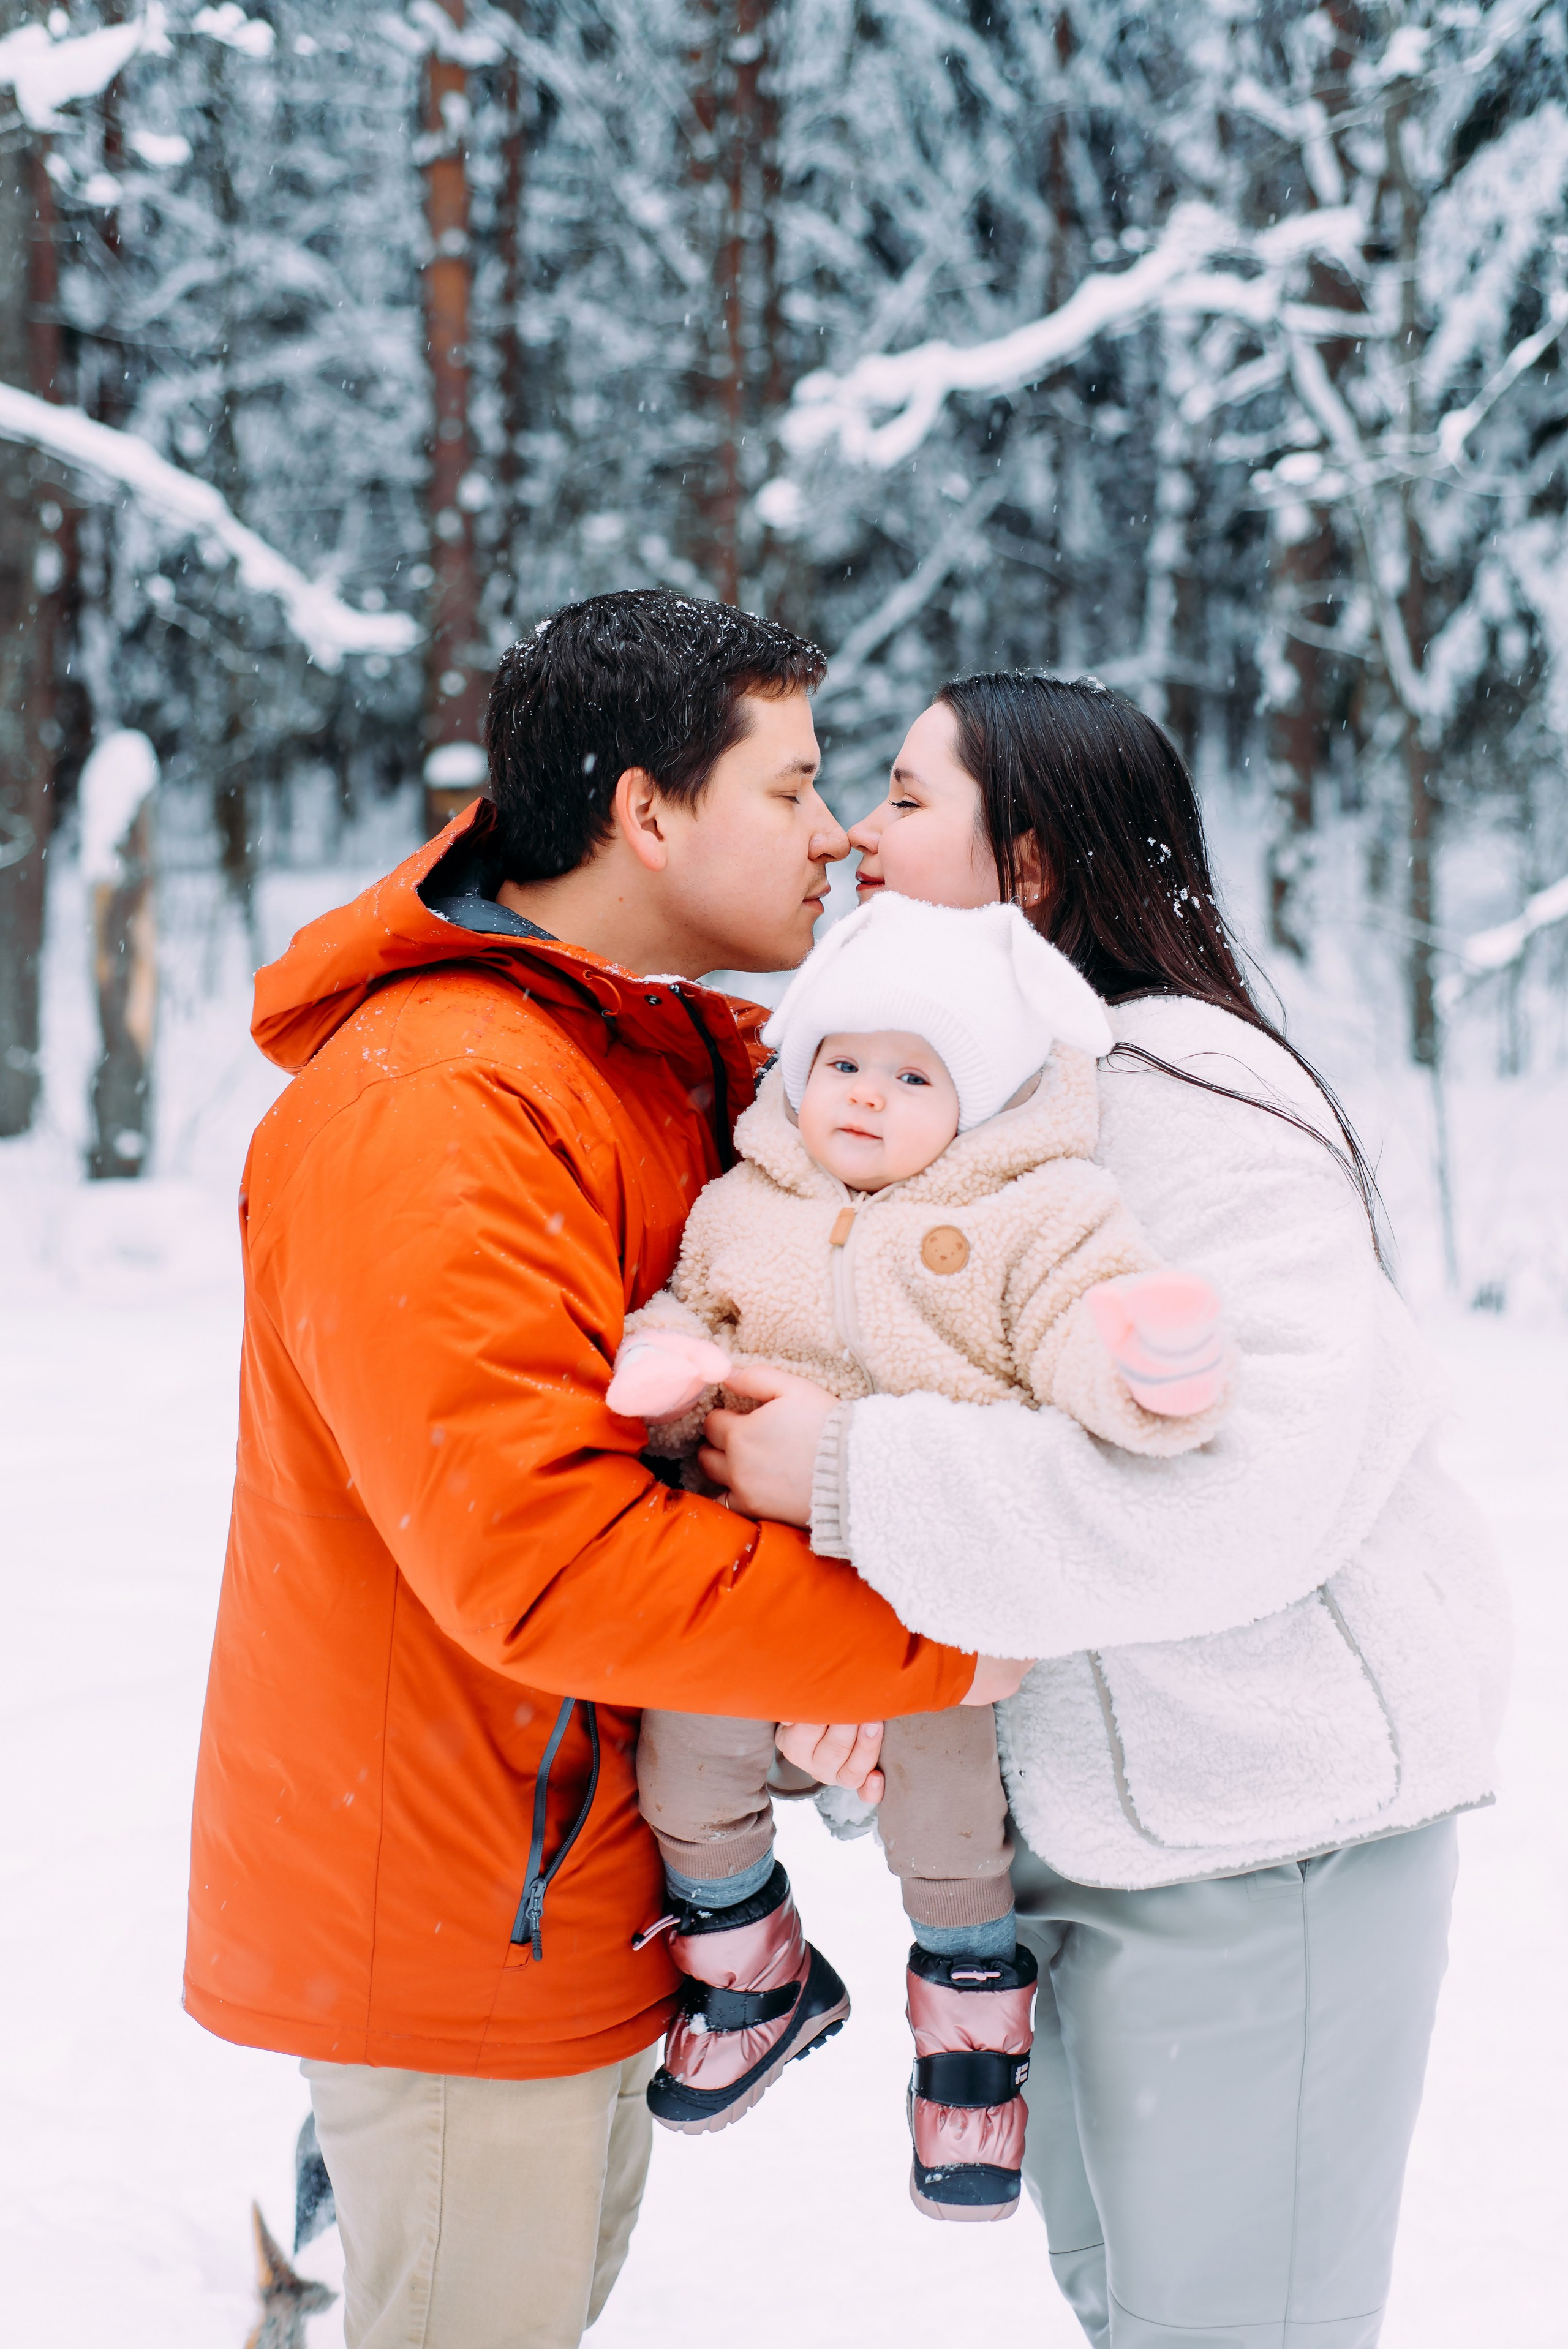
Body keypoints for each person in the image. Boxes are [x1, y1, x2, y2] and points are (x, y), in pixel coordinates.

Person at [183, 592, 1021, 2349]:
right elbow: (542, 1556)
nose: (838, 834)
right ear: (648, 815)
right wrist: (932, 1645)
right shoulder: (440, 1101)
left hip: (553, 1883)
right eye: (793, 789)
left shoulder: (615, 1058)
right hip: (456, 1906)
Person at [703, 674, 1509, 2349]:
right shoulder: (944, 1099)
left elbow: (1252, 1489)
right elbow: (950, 1391)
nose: (856, 826)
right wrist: (855, 1663)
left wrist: (850, 1474)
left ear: (1034, 868)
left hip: (1260, 1839)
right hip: (1075, 1829)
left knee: (1234, 2324)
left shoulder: (1190, 1090)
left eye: (910, 798)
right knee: (1143, 2306)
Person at [611, 891, 1229, 2222]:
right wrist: (670, 1373)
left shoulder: (1029, 1213)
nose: (867, 1097)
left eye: (912, 1075)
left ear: (987, 1097)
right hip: (751, 1580)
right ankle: (746, 1960)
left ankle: (967, 2055)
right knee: (683, 1750)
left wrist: (1139, 1364)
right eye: (842, 1062)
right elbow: (684, 1310)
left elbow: (1075, 1320)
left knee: (949, 1822)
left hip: (936, 1590)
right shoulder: (746, 1199)